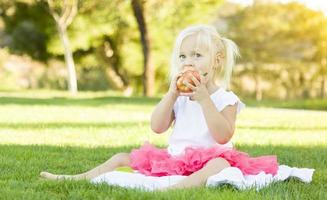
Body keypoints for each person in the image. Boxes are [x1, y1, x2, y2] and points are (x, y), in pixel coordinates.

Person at [40, 24, 278, 190]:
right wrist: (171, 95)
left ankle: (177, 188)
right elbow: (157, 127)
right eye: (183, 57)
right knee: (122, 158)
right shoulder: (180, 96)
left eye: (197, 55)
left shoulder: (226, 98)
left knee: (221, 165)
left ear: (216, 61)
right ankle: (74, 178)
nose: (188, 62)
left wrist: (205, 100)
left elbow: (223, 135)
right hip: (176, 159)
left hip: (209, 160)